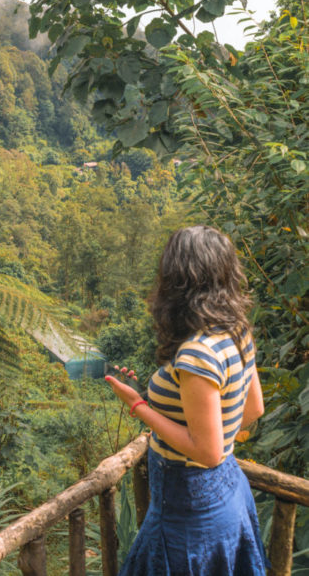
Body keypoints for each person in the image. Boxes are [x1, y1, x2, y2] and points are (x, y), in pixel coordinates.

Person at [106, 225, 268, 575]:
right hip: (227, 491)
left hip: (187, 508)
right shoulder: (236, 330)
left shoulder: (197, 354)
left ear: (178, 281)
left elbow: (206, 452)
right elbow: (254, 408)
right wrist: (220, 434)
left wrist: (137, 406)